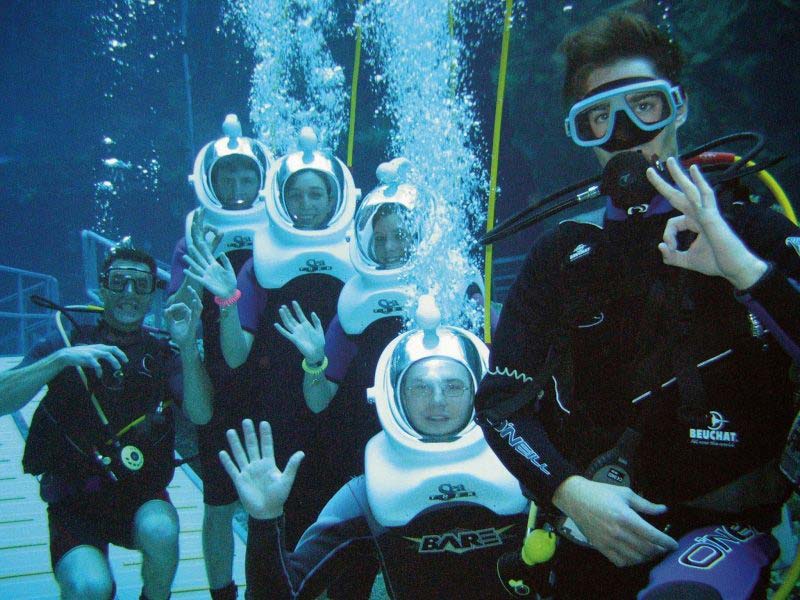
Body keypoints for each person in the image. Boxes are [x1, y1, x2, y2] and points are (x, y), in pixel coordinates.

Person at [475, 10, 800, 599]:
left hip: (724, 528)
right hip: (591, 524)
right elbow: (500, 402)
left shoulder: (755, 229)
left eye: (642, 107)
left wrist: (745, 270)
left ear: (677, 107)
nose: (623, 133)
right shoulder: (564, 253)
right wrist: (568, 490)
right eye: (599, 117)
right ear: (582, 132)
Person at [219, 297, 530, 599]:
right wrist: (265, 520)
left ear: (477, 390)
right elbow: (284, 594)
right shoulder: (368, 494)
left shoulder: (526, 467)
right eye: (420, 386)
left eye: (453, 386)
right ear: (394, 395)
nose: (438, 400)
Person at [2, 242, 212, 600]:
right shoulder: (66, 341)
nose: (129, 293)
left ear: (152, 296)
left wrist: (189, 345)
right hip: (73, 501)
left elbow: (201, 413)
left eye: (141, 284)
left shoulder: (163, 355)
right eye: (119, 282)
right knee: (89, 588)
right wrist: (61, 360)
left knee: (161, 531)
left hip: (140, 494)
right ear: (102, 287)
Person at [183, 126, 357, 553]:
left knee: (340, 524)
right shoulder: (261, 259)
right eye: (296, 195)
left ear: (335, 199)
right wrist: (226, 298)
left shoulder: (358, 253)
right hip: (279, 412)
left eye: (317, 195)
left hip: (340, 407)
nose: (306, 205)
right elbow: (235, 354)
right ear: (280, 198)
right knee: (284, 524)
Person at [167, 114, 272, 600]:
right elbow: (178, 315)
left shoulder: (281, 232)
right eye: (225, 175)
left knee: (271, 500)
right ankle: (223, 594)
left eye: (246, 175)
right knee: (218, 501)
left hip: (274, 381)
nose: (236, 184)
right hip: (219, 383)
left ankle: (268, 589)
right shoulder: (192, 237)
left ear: (262, 179)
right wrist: (198, 262)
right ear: (208, 180)